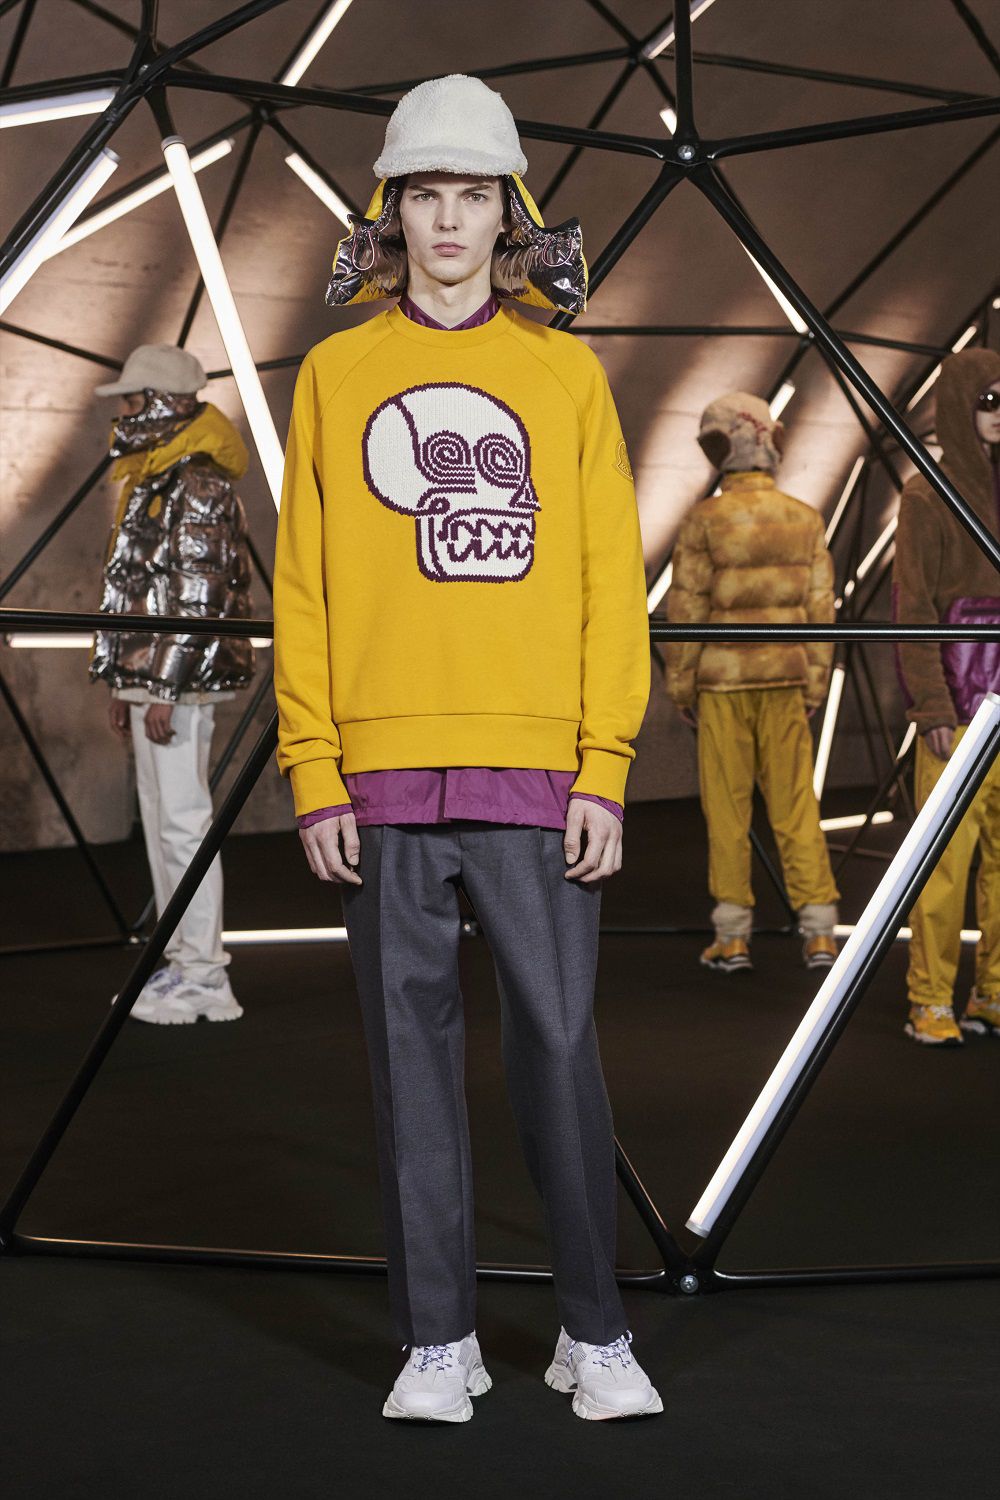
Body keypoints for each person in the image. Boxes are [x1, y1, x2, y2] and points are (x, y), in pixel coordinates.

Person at [273, 74, 661, 1423]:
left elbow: (612, 583)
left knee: (558, 1050)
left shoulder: (564, 372)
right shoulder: (334, 376)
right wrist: (312, 767)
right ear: (392, 213)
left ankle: (594, 1331)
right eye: (425, 194)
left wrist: (604, 765)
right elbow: (305, 586)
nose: (448, 219)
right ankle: (437, 1339)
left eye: (473, 195)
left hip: (535, 771)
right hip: (379, 780)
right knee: (407, 1065)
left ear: (511, 214)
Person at [90, 343, 254, 1024]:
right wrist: (125, 681)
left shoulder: (198, 481)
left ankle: (206, 977)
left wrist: (162, 687)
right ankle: (183, 962)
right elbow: (138, 586)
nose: (126, 411)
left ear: (164, 403)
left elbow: (198, 594)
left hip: (179, 680)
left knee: (183, 824)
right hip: (156, 676)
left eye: (134, 399)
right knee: (166, 823)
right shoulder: (156, 472)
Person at [664, 392, 840, 973]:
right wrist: (814, 685)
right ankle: (819, 931)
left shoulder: (704, 521)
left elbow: (687, 612)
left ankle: (733, 936)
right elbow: (822, 615)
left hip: (722, 685)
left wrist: (681, 687)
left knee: (727, 811)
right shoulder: (804, 518)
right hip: (785, 681)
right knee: (796, 806)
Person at [893, 346, 1000, 1046]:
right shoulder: (926, 494)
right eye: (988, 399)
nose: (999, 412)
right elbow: (913, 608)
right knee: (942, 865)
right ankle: (930, 999)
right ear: (959, 403)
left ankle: (993, 992)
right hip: (958, 712)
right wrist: (931, 706)